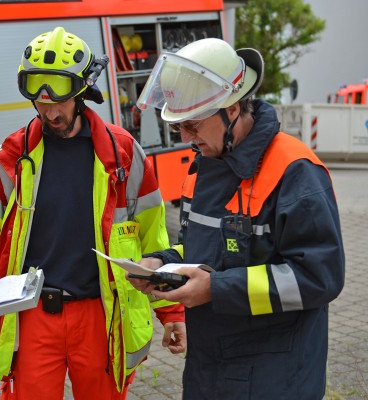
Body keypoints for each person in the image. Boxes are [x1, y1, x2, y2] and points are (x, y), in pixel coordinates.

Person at [0, 26, 185, 399]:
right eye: (39, 99)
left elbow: (153, 238)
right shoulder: (10, 158)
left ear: (81, 91)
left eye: (58, 99)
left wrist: (171, 312)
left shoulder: (123, 155)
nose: (49, 110)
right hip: (33, 316)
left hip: (100, 315)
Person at [130, 38, 345, 399]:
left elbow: (319, 276)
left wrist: (215, 288)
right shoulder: (203, 168)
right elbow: (205, 251)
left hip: (274, 375)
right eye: (179, 127)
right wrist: (161, 264)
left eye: (193, 125)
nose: (186, 138)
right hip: (209, 370)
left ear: (231, 110)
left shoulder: (295, 172)